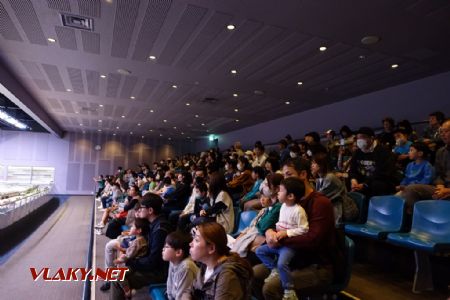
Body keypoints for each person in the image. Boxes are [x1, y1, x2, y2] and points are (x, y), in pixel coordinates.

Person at [252, 158, 337, 300]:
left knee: (271, 288)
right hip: (293, 259)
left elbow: (312, 240)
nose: (283, 179)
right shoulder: (288, 203)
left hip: (316, 265)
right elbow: (279, 224)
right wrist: (269, 232)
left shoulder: (320, 203)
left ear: (303, 174)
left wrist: (279, 239)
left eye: (288, 175)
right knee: (253, 274)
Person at [110, 193, 172, 300]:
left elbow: (153, 261)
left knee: (116, 279)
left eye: (141, 207)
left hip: (159, 272)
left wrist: (131, 262)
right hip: (150, 265)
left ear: (150, 210)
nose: (139, 210)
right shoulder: (153, 223)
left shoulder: (160, 230)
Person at [255, 177, 309, 300]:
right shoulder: (283, 206)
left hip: (288, 246)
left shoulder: (298, 211)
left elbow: (304, 229)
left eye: (281, 190)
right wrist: (273, 233)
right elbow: (280, 223)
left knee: (282, 263)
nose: (278, 192)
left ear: (290, 196)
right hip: (279, 243)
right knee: (259, 251)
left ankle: (289, 290)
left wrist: (286, 233)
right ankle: (274, 269)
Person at [189, 222, 253, 299]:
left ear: (211, 248)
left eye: (196, 240)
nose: (190, 244)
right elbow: (189, 291)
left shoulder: (227, 275)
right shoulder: (205, 265)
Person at [230, 174, 283, 259]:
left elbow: (262, 227)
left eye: (266, 184)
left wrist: (258, 225)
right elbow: (257, 225)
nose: (264, 186)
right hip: (253, 243)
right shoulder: (268, 208)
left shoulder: (278, 207)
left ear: (277, 189)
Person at [403, 120, 450, 211]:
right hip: (443, 187)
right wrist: (440, 185)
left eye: (446, 131)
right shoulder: (440, 152)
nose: (443, 134)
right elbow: (439, 174)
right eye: (441, 131)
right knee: (411, 189)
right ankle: (421, 219)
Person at [349, 127, 397, 197]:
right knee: (348, 180)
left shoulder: (383, 152)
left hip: (379, 180)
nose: (359, 140)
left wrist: (365, 184)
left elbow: (382, 173)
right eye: (358, 138)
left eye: (362, 138)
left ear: (371, 138)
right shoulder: (358, 152)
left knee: (377, 184)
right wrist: (353, 180)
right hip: (363, 180)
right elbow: (353, 169)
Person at [113, 218, 150, 298]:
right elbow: (132, 251)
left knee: (118, 275)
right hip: (137, 262)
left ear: (139, 230)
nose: (131, 228)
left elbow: (129, 255)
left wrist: (119, 260)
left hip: (134, 265)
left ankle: (127, 291)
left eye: (133, 226)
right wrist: (122, 250)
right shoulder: (142, 239)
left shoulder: (137, 241)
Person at [162, 231, 199, 300]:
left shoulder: (186, 267)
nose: (163, 249)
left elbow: (182, 295)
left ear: (178, 252)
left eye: (166, 247)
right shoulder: (173, 260)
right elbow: (169, 284)